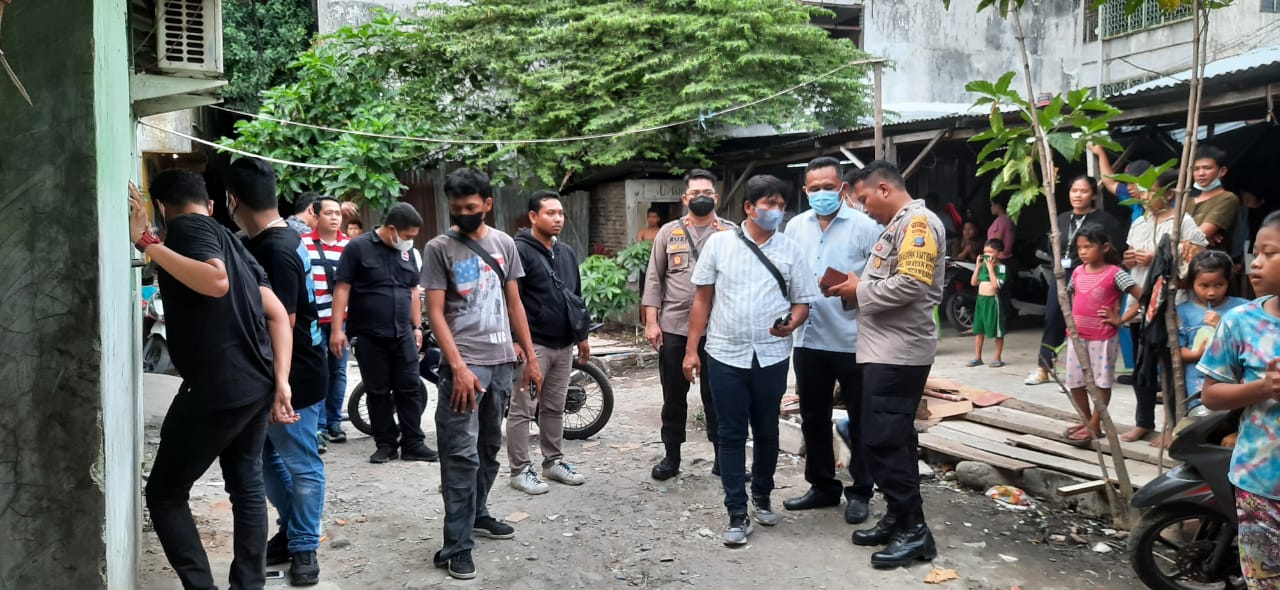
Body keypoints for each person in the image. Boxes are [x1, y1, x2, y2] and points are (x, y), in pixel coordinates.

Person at [130, 171, 297, 590]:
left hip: (219, 386)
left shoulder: (187, 227)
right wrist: (281, 381)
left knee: (165, 493)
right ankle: (248, 584)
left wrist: (147, 242)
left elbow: (216, 281)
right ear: (210, 203)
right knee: (246, 484)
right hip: (257, 382)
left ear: (159, 207)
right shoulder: (235, 244)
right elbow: (277, 313)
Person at [681, 174, 818, 546]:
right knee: (730, 434)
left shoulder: (790, 250)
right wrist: (691, 350)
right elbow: (702, 301)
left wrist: (792, 324)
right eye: (769, 204)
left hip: (771, 356)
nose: (776, 211)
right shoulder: (719, 245)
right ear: (748, 207)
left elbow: (803, 302)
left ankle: (762, 495)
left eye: (781, 205)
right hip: (725, 354)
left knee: (767, 430)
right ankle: (736, 512)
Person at [424, 168, 543, 580]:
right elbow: (434, 312)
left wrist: (530, 356)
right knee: (460, 455)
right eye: (456, 208)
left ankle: (478, 513)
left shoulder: (504, 244)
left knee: (490, 447)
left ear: (487, 205)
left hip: (501, 363)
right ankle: (456, 545)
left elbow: (515, 304)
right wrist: (457, 366)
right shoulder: (439, 248)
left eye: (470, 207)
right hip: (465, 366)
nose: (462, 214)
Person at [834, 161, 945, 568]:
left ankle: (915, 531)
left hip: (900, 353)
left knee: (884, 441)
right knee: (891, 439)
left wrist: (859, 290)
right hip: (885, 350)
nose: (864, 209)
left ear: (884, 188)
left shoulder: (917, 224)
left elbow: (912, 284)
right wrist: (853, 289)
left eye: (864, 199)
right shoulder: (898, 225)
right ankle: (900, 519)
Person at [225, 158, 329, 586]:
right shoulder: (270, 240)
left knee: (301, 463)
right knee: (268, 458)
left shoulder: (276, 248)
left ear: (232, 200)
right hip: (277, 374)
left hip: (294, 375)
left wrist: (279, 385)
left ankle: (304, 546)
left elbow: (281, 322)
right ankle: (292, 532)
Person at [780, 157, 881, 524]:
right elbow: (788, 273)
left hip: (855, 338)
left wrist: (856, 289)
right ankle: (823, 485)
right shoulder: (795, 227)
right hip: (809, 339)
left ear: (842, 188)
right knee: (813, 417)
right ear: (805, 191)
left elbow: (881, 278)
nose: (821, 193)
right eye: (815, 188)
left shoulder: (866, 226)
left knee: (861, 418)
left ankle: (861, 491)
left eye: (828, 187)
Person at [1199, 211, 1280, 586]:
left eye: (1269, 253)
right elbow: (1212, 396)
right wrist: (1263, 388)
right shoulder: (1240, 321)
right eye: (1255, 252)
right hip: (1261, 485)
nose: (1255, 263)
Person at [642, 169, 735, 480]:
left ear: (716, 197)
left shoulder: (731, 233)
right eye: (695, 193)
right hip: (674, 327)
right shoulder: (669, 232)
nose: (701, 198)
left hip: (719, 329)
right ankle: (672, 457)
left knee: (719, 396)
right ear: (685, 198)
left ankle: (723, 457)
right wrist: (651, 322)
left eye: (707, 193)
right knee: (673, 396)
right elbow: (654, 279)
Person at [330, 203, 438, 464]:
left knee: (410, 388)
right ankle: (386, 444)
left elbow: (413, 290)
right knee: (377, 391)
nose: (410, 241)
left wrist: (416, 327)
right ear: (391, 229)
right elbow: (342, 287)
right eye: (408, 236)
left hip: (403, 334)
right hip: (369, 335)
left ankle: (413, 443)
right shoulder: (357, 248)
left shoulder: (407, 252)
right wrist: (336, 329)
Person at [507, 190, 590, 495]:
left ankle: (553, 461)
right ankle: (519, 470)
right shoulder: (518, 251)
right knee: (523, 408)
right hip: (534, 345)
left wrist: (581, 336)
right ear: (533, 216)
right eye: (550, 213)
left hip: (563, 344)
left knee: (554, 406)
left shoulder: (565, 252)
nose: (558, 219)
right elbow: (510, 301)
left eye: (561, 213)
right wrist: (516, 341)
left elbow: (575, 297)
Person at [1122, 170, 1209, 442]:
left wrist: (1160, 260)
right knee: (1142, 366)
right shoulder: (1139, 222)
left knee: (1171, 369)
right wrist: (1130, 260)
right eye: (1142, 190)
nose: (1144, 195)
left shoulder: (1182, 222)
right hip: (1141, 303)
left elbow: (1200, 259)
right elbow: (1129, 259)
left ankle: (1172, 426)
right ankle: (1143, 422)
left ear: (1169, 193)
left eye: (1151, 190)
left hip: (1171, 305)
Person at [1026, 176, 1126, 386]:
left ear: (1094, 195)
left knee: (1084, 322)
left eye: (1083, 191)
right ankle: (1044, 367)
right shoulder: (1062, 218)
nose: (1078, 195)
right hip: (1062, 275)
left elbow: (1117, 250)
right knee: (1053, 318)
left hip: (1092, 277)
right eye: (1074, 191)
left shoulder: (1105, 221)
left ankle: (1087, 375)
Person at [1062, 225, 1142, 443]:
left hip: (1103, 337)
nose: (1082, 252)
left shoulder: (1115, 273)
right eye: (1079, 247)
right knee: (1075, 382)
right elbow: (1072, 295)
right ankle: (1088, 422)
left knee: (1101, 383)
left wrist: (1121, 319)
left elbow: (1142, 296)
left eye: (1088, 246)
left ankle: (1095, 424)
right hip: (1076, 336)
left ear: (1105, 247)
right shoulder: (1077, 272)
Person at [304, 196, 352, 450]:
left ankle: (334, 422)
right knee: (318, 372)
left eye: (338, 213)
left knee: (339, 371)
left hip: (341, 321)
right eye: (329, 213)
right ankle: (318, 426)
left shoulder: (349, 246)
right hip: (313, 320)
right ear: (315, 215)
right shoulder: (303, 244)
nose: (334, 218)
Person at [1178, 251, 1248, 409]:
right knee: (1201, 417)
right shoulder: (1183, 312)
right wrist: (1197, 354)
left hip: (1234, 382)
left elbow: (1251, 342)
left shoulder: (1242, 308)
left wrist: (1221, 325)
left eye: (1219, 285)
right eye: (1204, 286)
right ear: (1192, 283)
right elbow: (1177, 351)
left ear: (1228, 282)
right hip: (1198, 382)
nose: (1211, 292)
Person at [1186, 145, 1240, 252]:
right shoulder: (1187, 198)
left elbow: (1198, 236)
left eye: (1207, 168)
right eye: (1196, 169)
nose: (1201, 173)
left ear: (1222, 171)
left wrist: (1198, 236)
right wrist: (1202, 237)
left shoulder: (1227, 198)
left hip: (1209, 260)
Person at [967, 239, 1007, 368]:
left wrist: (991, 269)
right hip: (981, 301)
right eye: (985, 252)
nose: (986, 255)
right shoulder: (983, 267)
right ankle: (977, 357)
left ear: (1000, 254)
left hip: (992, 302)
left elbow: (996, 286)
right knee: (979, 330)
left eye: (990, 252)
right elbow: (973, 283)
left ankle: (997, 357)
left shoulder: (1001, 268)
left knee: (997, 331)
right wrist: (978, 267)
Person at [1092, 145, 1150, 223]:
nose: (1129, 187)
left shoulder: (1162, 202)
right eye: (1127, 183)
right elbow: (1109, 182)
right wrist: (1100, 153)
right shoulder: (1134, 199)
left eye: (1133, 182)